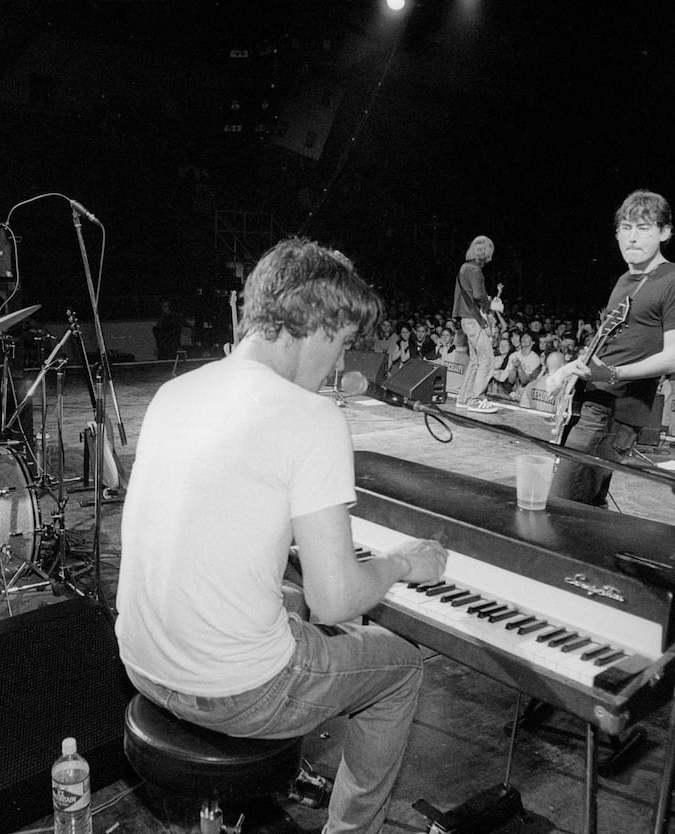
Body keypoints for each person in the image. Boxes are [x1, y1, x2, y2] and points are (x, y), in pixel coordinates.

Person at [116, 237, 448, 834]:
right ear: (320, 323)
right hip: (234, 693)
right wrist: (400, 564)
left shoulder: (176, 393)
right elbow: (337, 599)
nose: (339, 363)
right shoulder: (311, 417)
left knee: (291, 606)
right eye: (344, 342)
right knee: (400, 664)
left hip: (141, 662)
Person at [547, 190, 675, 507]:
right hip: (592, 402)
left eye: (644, 228)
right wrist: (566, 371)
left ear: (665, 232)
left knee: (563, 505)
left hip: (614, 412)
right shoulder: (625, 280)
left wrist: (613, 373)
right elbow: (608, 343)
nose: (633, 237)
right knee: (584, 505)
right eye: (626, 228)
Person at [452, 235, 499, 413]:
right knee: (487, 359)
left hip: (466, 319)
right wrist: (491, 303)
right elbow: (479, 295)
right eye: (489, 253)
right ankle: (476, 399)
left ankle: (464, 398)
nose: (491, 257)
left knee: (475, 360)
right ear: (484, 252)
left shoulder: (464, 267)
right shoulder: (474, 269)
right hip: (473, 319)